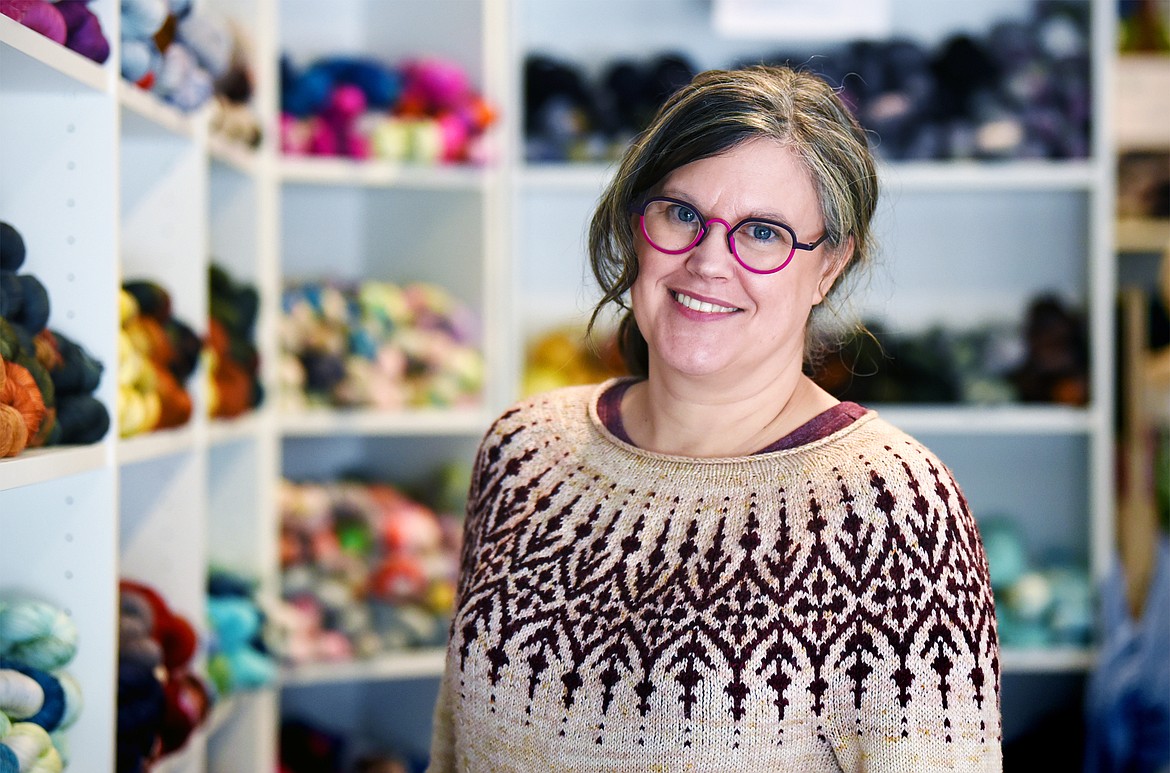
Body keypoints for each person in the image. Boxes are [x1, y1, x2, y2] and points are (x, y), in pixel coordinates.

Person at [428, 64, 1001, 772]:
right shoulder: (522, 450)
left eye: (762, 232)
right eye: (683, 213)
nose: (707, 262)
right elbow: (454, 749)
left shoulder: (893, 511)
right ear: (638, 223)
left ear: (829, 265)